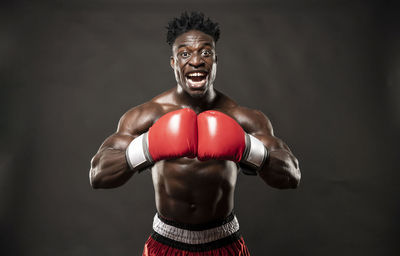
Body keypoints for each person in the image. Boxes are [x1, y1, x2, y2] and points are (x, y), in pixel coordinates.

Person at [89, 11, 301, 256]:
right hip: (166, 243)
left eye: (206, 52)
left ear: (216, 60)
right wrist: (147, 147)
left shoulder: (243, 118)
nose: (197, 61)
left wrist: (248, 148)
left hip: (224, 242)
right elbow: (98, 174)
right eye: (185, 53)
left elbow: (291, 176)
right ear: (173, 62)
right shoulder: (147, 116)